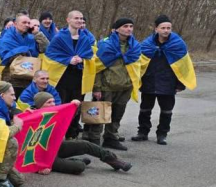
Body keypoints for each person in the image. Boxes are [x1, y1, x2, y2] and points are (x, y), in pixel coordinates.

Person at [29, 92, 131, 175]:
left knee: (85, 144)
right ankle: (73, 161)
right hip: (44, 156)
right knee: (79, 167)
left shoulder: (53, 113)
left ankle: (113, 160)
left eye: (53, 101)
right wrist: (38, 168)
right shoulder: (32, 119)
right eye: (49, 102)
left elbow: (67, 118)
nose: (53, 104)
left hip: (56, 147)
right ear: (40, 105)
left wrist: (74, 106)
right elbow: (27, 149)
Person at [132, 15, 196, 145]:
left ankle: (162, 134)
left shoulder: (178, 44)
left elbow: (184, 66)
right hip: (149, 82)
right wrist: (138, 80)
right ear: (156, 29)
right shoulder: (147, 44)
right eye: (163, 28)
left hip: (168, 83)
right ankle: (142, 132)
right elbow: (138, 63)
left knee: (166, 111)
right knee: (145, 109)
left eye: (168, 28)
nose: (166, 30)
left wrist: (180, 84)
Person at [85, 18, 139, 149]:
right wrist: (96, 88)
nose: (129, 29)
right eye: (125, 26)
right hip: (106, 87)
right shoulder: (105, 45)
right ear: (117, 29)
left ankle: (111, 137)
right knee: (99, 115)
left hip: (125, 87)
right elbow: (96, 68)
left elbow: (137, 67)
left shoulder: (135, 46)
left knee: (117, 115)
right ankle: (94, 139)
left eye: (131, 26)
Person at [41, 10, 96, 139]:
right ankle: (56, 136)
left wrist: (83, 59)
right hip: (62, 78)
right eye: (76, 18)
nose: (79, 21)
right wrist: (68, 60)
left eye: (81, 19)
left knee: (76, 107)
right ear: (68, 20)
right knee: (61, 106)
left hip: (79, 78)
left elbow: (91, 56)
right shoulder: (59, 37)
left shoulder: (85, 38)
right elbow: (50, 56)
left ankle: (72, 134)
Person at [0, 13, 49, 95]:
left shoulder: (31, 37)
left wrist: (37, 34)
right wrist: (24, 49)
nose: (27, 25)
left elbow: (46, 48)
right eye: (24, 22)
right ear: (15, 24)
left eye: (28, 23)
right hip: (12, 78)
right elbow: (5, 56)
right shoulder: (7, 37)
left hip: (29, 77)